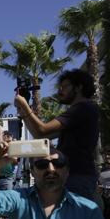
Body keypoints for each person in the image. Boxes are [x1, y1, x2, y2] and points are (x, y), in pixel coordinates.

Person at [14, 69, 99, 201]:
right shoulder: (84, 110)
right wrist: (23, 110)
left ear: (79, 87)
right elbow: (40, 135)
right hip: (76, 175)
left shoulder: (81, 108)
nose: (60, 91)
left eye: (65, 86)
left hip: (77, 177)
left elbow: (43, 130)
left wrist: (25, 106)